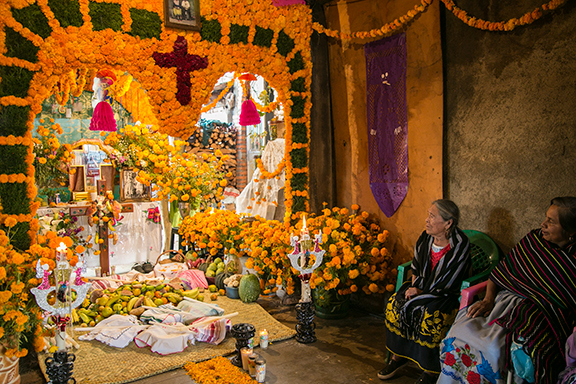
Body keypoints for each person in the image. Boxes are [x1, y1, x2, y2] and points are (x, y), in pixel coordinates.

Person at [438, 197, 576, 384]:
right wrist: (487, 299)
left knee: (493, 347)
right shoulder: (534, 241)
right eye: (545, 218)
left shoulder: (573, 261)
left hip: (542, 315)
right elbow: (500, 271)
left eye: (551, 222)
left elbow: (567, 305)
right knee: (459, 332)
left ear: (571, 232)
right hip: (502, 303)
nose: (543, 224)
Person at [379, 199, 471, 383]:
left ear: (448, 223)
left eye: (432, 216)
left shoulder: (460, 245)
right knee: (395, 305)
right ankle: (398, 357)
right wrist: (416, 288)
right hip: (420, 287)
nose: (427, 220)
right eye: (428, 215)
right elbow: (417, 267)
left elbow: (449, 278)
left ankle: (430, 370)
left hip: (446, 294)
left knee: (430, 315)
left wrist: (421, 292)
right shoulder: (425, 238)